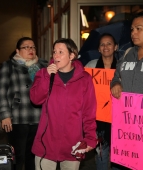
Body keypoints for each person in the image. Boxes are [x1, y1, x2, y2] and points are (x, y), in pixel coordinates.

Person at [30, 38, 97, 170]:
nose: (56, 56)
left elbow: (89, 111)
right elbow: (35, 99)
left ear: (72, 56)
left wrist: (90, 137)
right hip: (46, 143)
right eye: (54, 52)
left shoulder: (85, 79)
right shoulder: (43, 74)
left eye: (61, 52)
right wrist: (47, 77)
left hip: (72, 144)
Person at [111, 9, 143, 169]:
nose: (133, 33)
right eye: (132, 29)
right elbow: (116, 77)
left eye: (138, 28)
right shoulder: (127, 54)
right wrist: (115, 84)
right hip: (126, 130)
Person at [0, 37, 48, 170]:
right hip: (17, 118)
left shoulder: (44, 66)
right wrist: (5, 115)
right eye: (26, 47)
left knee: (33, 157)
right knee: (17, 157)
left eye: (33, 47)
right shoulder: (8, 66)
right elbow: (0, 92)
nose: (31, 49)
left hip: (39, 118)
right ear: (17, 50)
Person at [86, 33, 121, 170]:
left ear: (116, 47)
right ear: (99, 49)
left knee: (118, 155)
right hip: (98, 119)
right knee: (101, 154)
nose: (105, 47)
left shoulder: (122, 67)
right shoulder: (91, 66)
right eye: (102, 44)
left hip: (118, 118)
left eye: (109, 43)